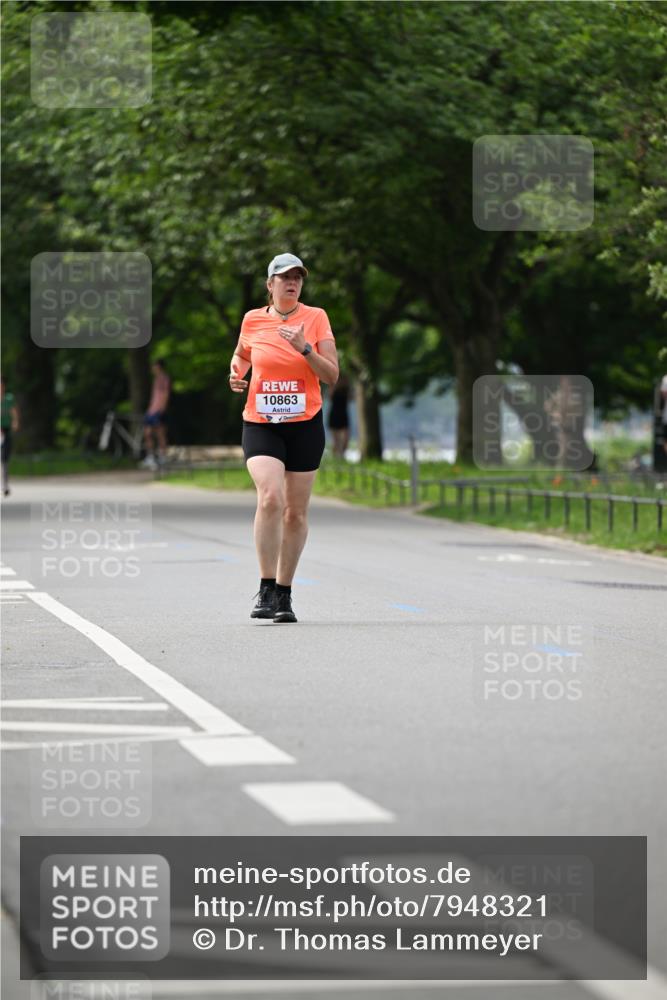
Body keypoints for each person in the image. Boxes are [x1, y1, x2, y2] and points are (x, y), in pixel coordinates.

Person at [229, 253, 339, 623]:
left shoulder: (316, 318)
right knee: (271, 497)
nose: (292, 282)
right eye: (284, 277)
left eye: (298, 277)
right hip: (261, 422)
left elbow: (332, 375)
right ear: (270, 284)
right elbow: (242, 355)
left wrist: (304, 348)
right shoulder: (252, 319)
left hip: (305, 423)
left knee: (295, 513)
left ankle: (284, 594)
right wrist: (236, 373)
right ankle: (265, 586)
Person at [141, 359, 171, 469]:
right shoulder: (156, 379)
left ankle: (163, 457)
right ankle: (150, 457)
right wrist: (150, 409)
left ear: (159, 367)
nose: (153, 368)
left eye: (154, 366)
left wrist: (162, 408)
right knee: (147, 433)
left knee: (160, 434)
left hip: (159, 410)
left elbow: (166, 394)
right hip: (152, 410)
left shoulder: (164, 378)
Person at [0, 376, 20, 497]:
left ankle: (5, 484)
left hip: (5, 430)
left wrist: (15, 422)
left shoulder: (8, 399)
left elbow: (14, 412)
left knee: (4, 458)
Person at [328, 371, 351, 459]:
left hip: (343, 414)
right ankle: (335, 457)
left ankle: (342, 455)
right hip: (334, 414)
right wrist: (335, 385)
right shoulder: (333, 386)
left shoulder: (346, 389)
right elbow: (330, 396)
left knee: (346, 438)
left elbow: (351, 397)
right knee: (336, 440)